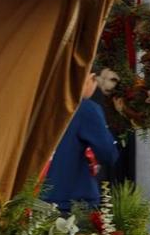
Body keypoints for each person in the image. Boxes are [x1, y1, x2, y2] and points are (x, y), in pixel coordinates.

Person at [42, 64, 123, 206]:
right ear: (90, 78)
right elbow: (108, 154)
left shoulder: (42, 104)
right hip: (73, 200)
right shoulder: (86, 109)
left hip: (36, 196)